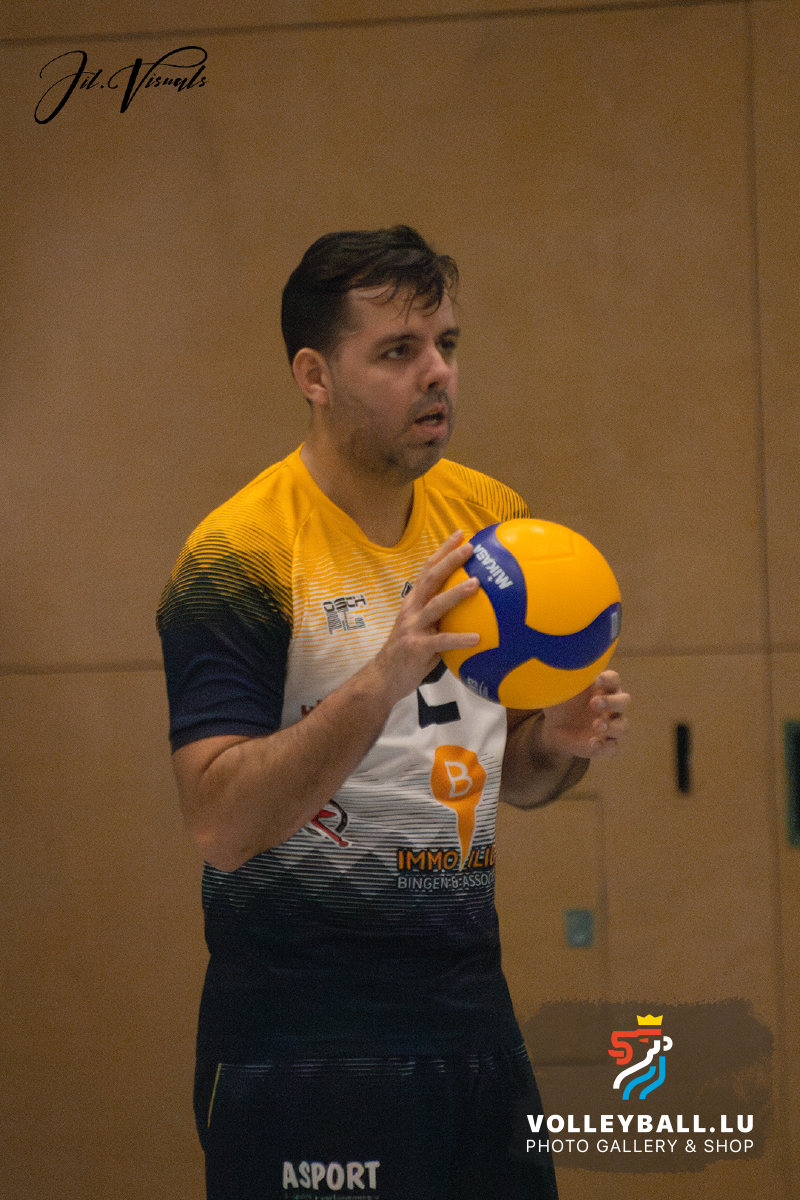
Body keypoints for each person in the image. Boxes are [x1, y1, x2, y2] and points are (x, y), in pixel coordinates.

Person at [157, 225, 629, 1200]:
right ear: (314, 375)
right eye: (397, 351)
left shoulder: (493, 526)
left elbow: (516, 776)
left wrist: (556, 741)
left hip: (472, 1024)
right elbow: (220, 821)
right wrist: (384, 675)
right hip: (303, 1042)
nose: (436, 373)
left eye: (445, 345)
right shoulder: (236, 556)